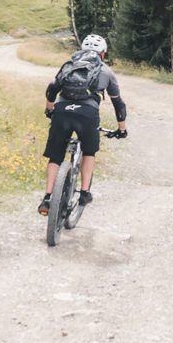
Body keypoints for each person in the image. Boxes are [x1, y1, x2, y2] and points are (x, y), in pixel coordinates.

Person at [41, 33, 128, 215]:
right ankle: (85, 193)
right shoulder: (106, 71)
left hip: (62, 111)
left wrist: (50, 109)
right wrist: (122, 129)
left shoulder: (69, 66)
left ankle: (48, 197)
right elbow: (118, 103)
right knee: (89, 152)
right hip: (87, 115)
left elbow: (52, 88)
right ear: (102, 53)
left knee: (55, 156)